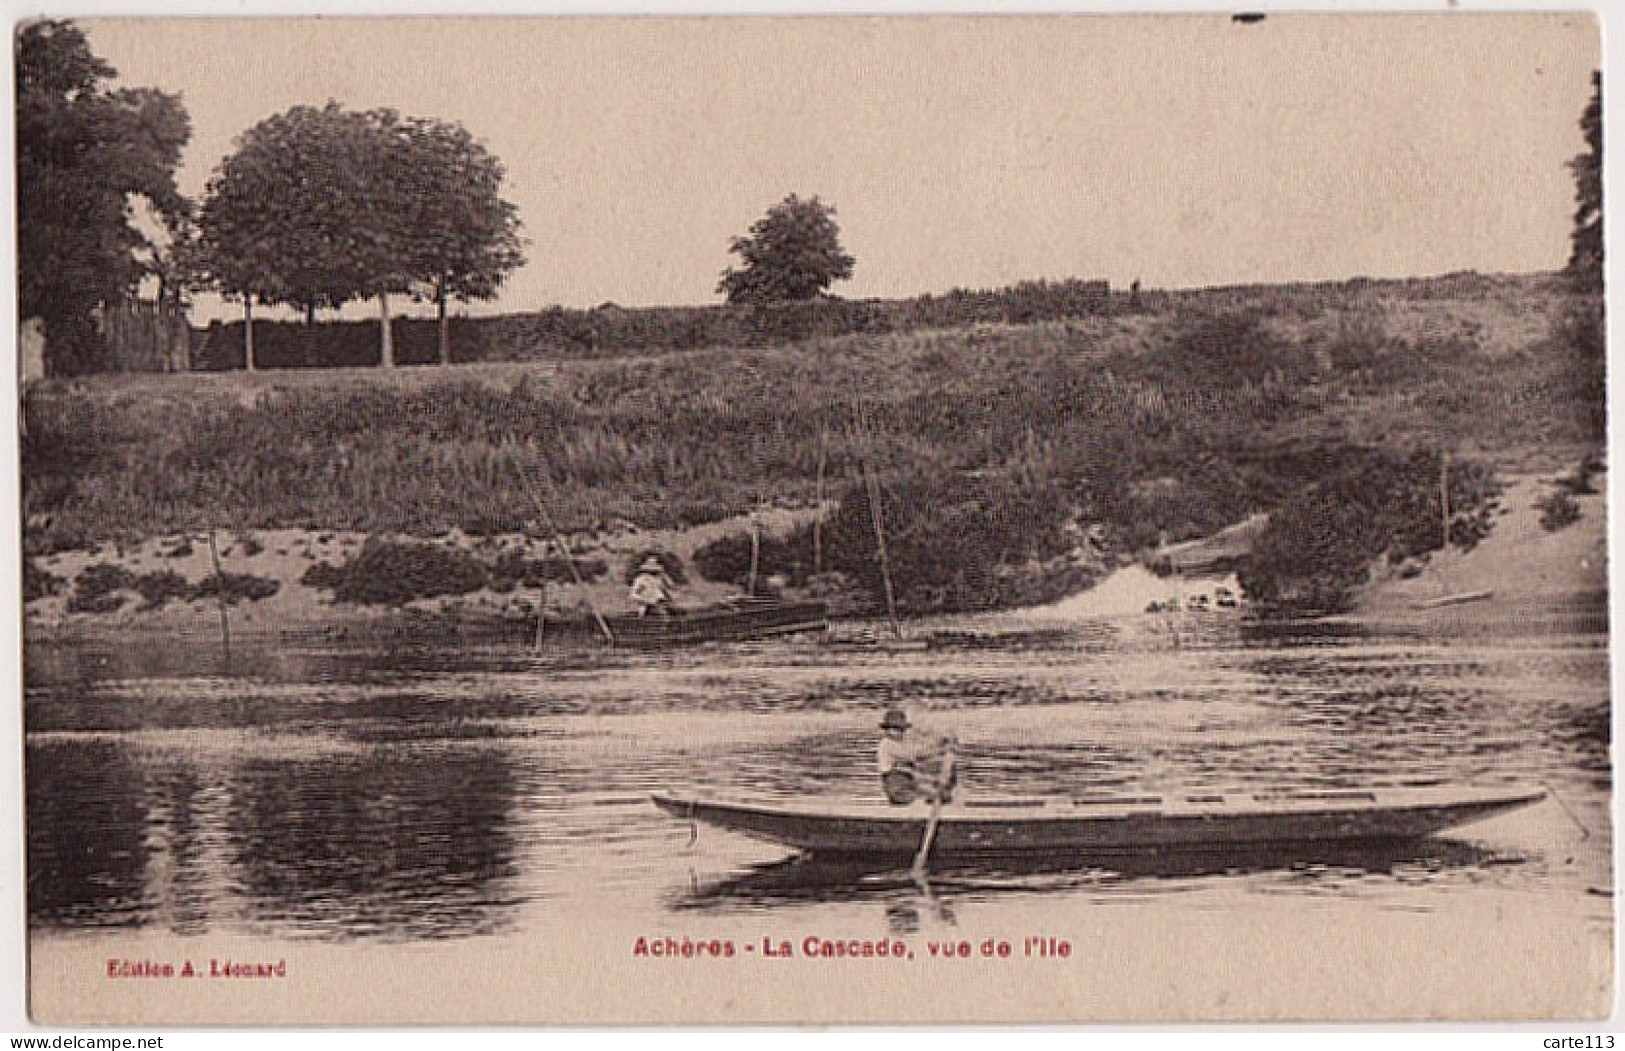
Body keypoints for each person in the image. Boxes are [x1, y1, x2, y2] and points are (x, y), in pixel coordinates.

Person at [876, 708, 957, 806]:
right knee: (937, 795)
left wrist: (939, 744)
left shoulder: (900, 744)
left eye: (901, 730)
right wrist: (941, 750)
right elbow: (915, 756)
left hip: (907, 784)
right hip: (897, 788)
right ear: (887, 730)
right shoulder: (887, 744)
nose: (899, 733)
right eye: (894, 729)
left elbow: (919, 751)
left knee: (942, 793)